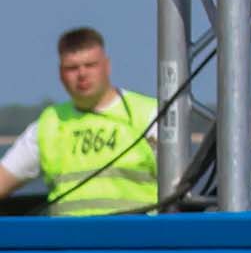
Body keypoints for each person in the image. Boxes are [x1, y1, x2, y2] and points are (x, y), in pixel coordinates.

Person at [0, 28, 159, 215]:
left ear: (107, 66)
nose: (82, 74)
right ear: (60, 73)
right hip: (69, 241)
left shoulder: (149, 114)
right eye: (72, 68)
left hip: (137, 240)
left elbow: (180, 187)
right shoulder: (49, 124)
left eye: (90, 65)